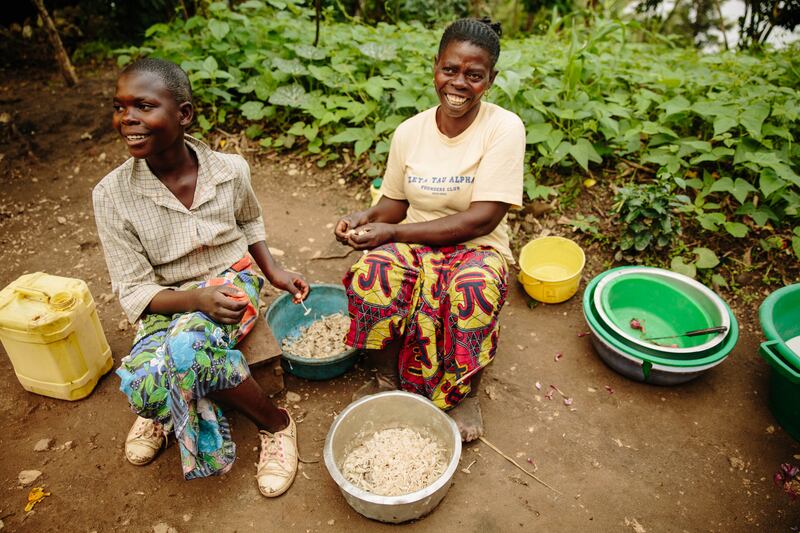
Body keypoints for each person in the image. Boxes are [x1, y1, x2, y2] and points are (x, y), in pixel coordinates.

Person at [93, 58, 309, 497]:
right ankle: (165, 407)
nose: (127, 119)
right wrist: (194, 300)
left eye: (144, 106)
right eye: (119, 107)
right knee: (140, 387)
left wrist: (275, 272)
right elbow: (135, 291)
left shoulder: (230, 170)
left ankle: (277, 425)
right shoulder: (111, 195)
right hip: (166, 299)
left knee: (188, 348)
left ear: (184, 114)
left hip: (232, 282)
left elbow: (249, 223)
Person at [334, 18, 525, 442]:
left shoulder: (503, 128)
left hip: (477, 247)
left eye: (474, 75)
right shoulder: (410, 131)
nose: (459, 83)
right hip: (417, 241)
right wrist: (364, 218)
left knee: (472, 290)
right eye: (450, 70)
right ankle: (386, 379)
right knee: (372, 275)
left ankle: (463, 392)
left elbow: (483, 219)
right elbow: (395, 203)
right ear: (435, 67)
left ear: (490, 80)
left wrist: (393, 234)